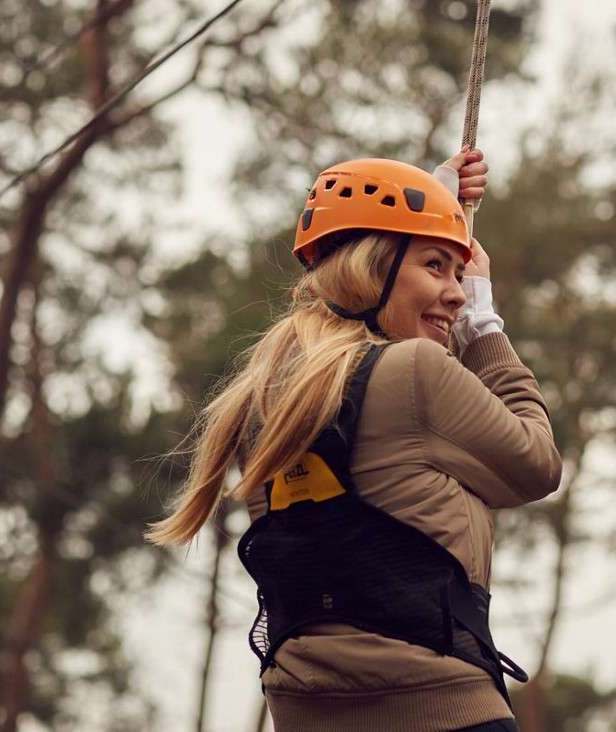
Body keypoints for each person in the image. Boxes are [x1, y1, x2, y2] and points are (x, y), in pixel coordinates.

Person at [147, 147, 562, 732]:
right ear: (372, 269)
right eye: (436, 268)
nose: (456, 292)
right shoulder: (416, 371)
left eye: (458, 273)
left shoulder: (264, 398)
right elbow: (536, 464)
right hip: (441, 710)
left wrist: (432, 208)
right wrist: (483, 324)